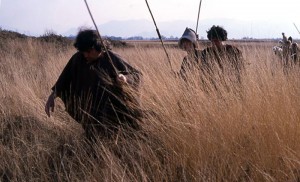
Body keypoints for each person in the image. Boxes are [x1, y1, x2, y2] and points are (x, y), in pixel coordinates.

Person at [45, 29, 142, 142]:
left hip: (112, 112)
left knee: (116, 140)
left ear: (98, 47)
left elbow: (137, 75)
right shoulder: (78, 58)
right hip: (89, 111)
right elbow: (64, 79)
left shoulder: (112, 58)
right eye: (83, 51)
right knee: (93, 139)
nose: (85, 54)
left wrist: (125, 78)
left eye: (89, 51)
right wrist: (52, 96)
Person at [200, 25, 245, 92]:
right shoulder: (206, 53)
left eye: (216, 40)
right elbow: (203, 71)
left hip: (232, 86)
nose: (214, 43)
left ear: (222, 39)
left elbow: (240, 69)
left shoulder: (233, 51)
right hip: (211, 88)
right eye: (212, 40)